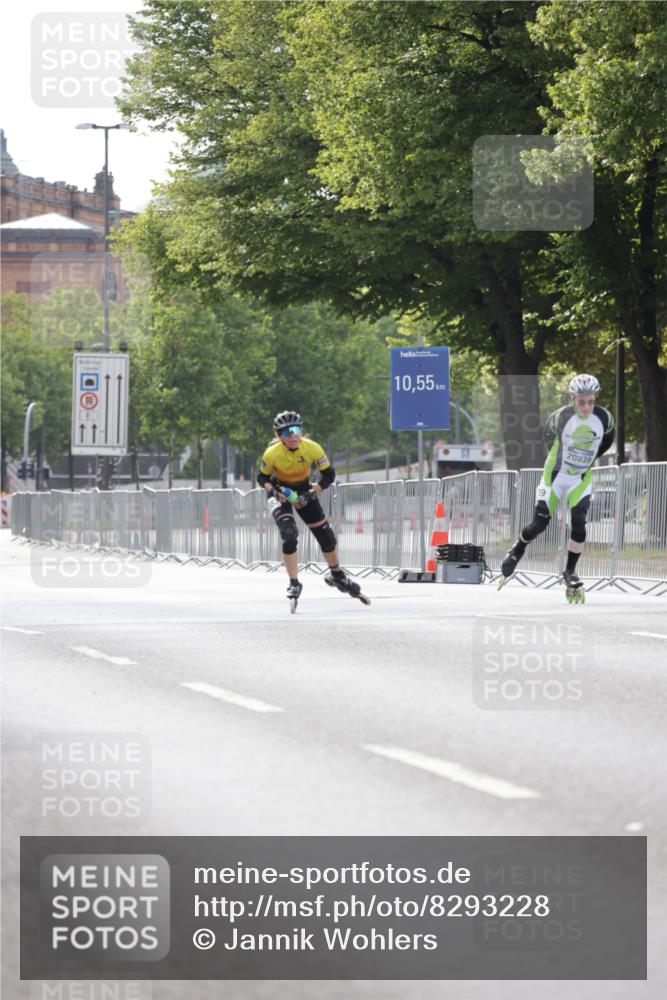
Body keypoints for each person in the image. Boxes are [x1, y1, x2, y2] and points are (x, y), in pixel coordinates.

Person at [501, 374, 615, 591]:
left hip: (580, 478)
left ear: (596, 398)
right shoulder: (560, 416)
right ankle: (518, 548)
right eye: (581, 402)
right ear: (572, 399)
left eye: (591, 401)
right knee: (540, 523)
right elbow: (547, 437)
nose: (586, 407)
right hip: (554, 476)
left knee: (580, 521)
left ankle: (570, 571)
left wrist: (589, 457)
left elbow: (607, 440)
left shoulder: (605, 418)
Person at [257, 410, 360, 602]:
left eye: (296, 430)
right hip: (280, 493)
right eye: (287, 432)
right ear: (279, 436)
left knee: (326, 537)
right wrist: (273, 492)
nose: (294, 435)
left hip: (305, 490)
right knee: (289, 534)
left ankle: (337, 575)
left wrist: (314, 492)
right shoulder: (272, 453)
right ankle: (294, 582)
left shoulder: (312, 448)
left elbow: (329, 474)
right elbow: (261, 477)